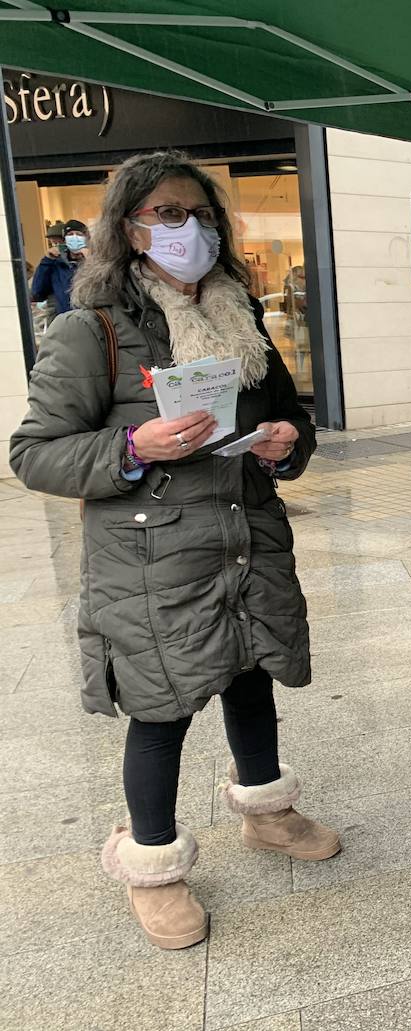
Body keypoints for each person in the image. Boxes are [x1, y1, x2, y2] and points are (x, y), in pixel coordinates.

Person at [9, 151, 339, 951]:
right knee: (160, 707)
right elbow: (34, 452)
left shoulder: (244, 318)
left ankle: (267, 811)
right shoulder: (93, 332)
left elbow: (288, 412)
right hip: (151, 557)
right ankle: (152, 865)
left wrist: (288, 443)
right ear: (128, 227)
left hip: (245, 540)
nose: (185, 227)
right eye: (165, 212)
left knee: (251, 672)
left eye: (199, 212)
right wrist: (135, 444)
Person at [30, 218, 88, 316]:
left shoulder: (97, 261)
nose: (75, 238)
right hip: (64, 321)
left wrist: (90, 260)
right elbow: (37, 293)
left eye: (79, 234)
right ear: (65, 239)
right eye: (70, 234)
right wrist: (47, 261)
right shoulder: (55, 264)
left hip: (90, 321)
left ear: (86, 238)